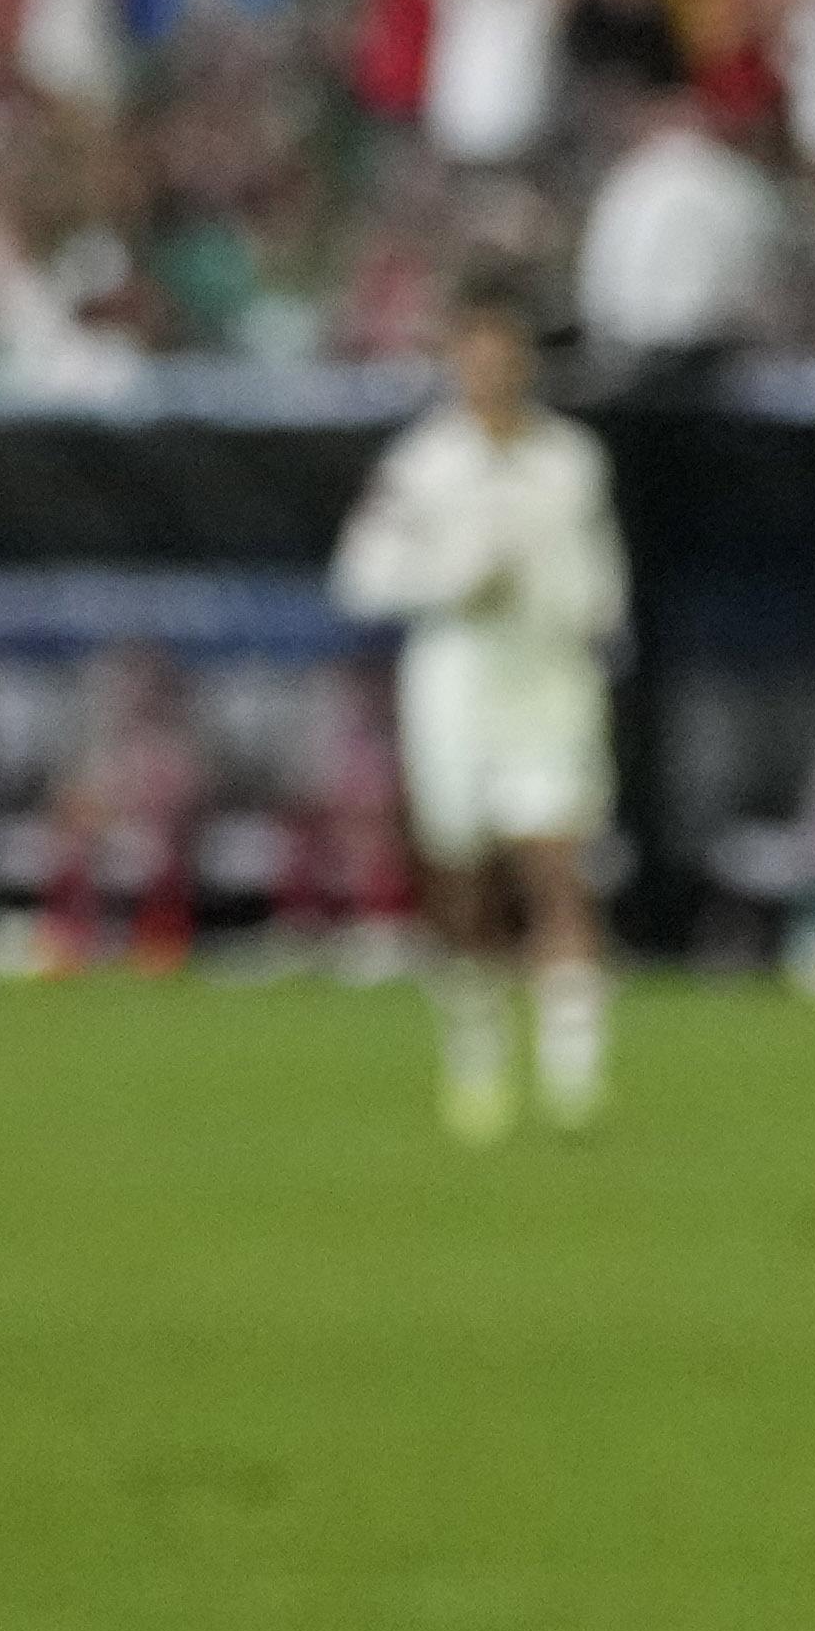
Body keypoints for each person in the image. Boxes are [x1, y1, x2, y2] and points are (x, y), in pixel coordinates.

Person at [328, 291, 629, 1136]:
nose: (491, 370)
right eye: (476, 354)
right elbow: (359, 578)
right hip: (457, 684)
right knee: (461, 880)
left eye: (505, 354)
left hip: (549, 680)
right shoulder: (421, 465)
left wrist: (582, 614)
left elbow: (601, 574)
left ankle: (576, 1078)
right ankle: (477, 1051)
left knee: (556, 863)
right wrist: (455, 584)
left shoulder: (571, 459)